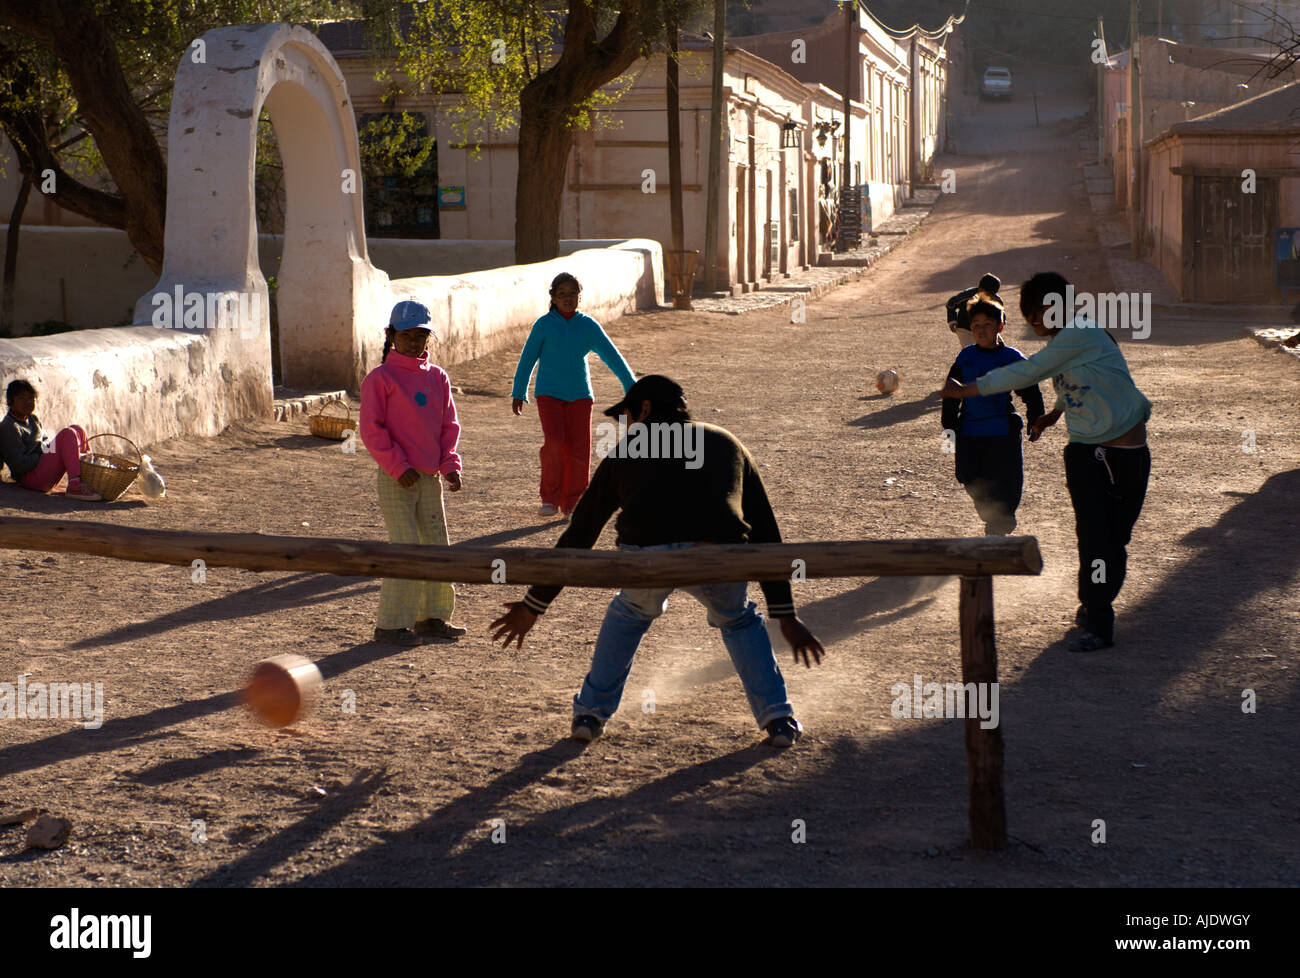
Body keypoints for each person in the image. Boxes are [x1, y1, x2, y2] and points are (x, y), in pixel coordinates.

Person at [489, 375, 825, 748]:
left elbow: (580, 535)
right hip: (719, 557)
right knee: (739, 620)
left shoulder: (628, 450)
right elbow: (764, 530)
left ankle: (590, 715)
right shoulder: (727, 441)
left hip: (646, 558)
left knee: (630, 614)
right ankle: (778, 718)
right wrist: (784, 612)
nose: (626, 426)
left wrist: (534, 605)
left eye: (628, 416)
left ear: (645, 409)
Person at [939, 272, 1152, 653]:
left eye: (1037, 314)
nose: (1033, 322)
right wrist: (1054, 414)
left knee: (1113, 539)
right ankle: (1097, 615)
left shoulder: (1080, 334)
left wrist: (968, 389)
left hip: (1124, 457)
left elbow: (1028, 372)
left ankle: (1095, 604)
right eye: (1029, 315)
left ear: (1056, 307)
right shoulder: (1067, 339)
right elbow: (1076, 382)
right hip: (1087, 452)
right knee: (1095, 538)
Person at [360, 300, 467, 646]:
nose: (414, 343)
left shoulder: (438, 378)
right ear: (391, 336)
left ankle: (432, 617)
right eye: (406, 335)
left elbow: (448, 426)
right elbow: (372, 430)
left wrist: (450, 464)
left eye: (421, 335)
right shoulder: (380, 379)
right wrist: (397, 466)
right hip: (397, 479)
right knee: (405, 548)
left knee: (437, 546)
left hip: (429, 478)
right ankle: (391, 625)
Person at [511, 272, 636, 519]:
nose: (568, 298)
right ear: (554, 298)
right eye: (562, 294)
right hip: (549, 395)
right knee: (555, 443)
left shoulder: (588, 326)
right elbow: (528, 359)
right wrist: (519, 390)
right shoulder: (544, 325)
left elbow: (613, 358)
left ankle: (573, 503)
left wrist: (632, 389)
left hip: (580, 396)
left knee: (580, 451)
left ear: (580, 296)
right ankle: (550, 498)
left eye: (572, 294)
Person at [940, 293, 1045, 535]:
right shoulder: (966, 357)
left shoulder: (1011, 358)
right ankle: (993, 518)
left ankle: (1001, 521)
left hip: (1003, 433)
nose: (981, 330)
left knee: (1007, 482)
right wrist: (949, 429)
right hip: (969, 432)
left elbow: (1030, 392)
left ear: (1001, 325)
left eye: (987, 325)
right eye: (976, 326)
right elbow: (951, 394)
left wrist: (1035, 419)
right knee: (967, 477)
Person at [0, 379, 100, 501]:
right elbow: (20, 466)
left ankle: (87, 480)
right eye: (22, 398)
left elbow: (45, 440)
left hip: (42, 466)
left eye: (31, 398)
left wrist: (47, 449)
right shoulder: (9, 426)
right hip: (31, 478)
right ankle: (74, 485)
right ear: (10, 402)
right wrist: (42, 454)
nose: (28, 402)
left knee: (77, 429)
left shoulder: (32, 419)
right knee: (68, 433)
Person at [945, 272, 1002, 348]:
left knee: (1000, 346)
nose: (988, 296)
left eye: (991, 294)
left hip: (987, 328)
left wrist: (998, 325)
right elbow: (951, 304)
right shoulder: (967, 295)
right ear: (980, 288)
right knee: (971, 350)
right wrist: (952, 320)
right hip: (965, 329)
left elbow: (1000, 315)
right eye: (987, 293)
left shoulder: (996, 300)